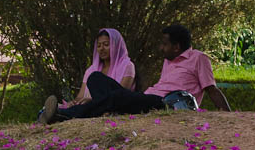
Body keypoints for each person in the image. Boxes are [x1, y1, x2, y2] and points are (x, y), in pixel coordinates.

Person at [39, 24, 230, 124]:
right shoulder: (168, 60)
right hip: (147, 98)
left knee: (116, 96)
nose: (160, 48)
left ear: (177, 46)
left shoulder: (199, 58)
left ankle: (63, 115)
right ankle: (105, 110)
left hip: (165, 104)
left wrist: (229, 116)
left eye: (164, 43)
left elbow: (211, 89)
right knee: (95, 79)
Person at [68, 28, 136, 104]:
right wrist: (74, 102)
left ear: (116, 46)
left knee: (95, 77)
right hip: (91, 107)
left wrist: (93, 101)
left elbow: (120, 96)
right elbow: (80, 96)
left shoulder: (127, 66)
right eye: (99, 46)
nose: (101, 49)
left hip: (113, 106)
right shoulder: (91, 70)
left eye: (106, 44)